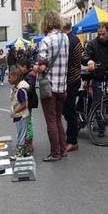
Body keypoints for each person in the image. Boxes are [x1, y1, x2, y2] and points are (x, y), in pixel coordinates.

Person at [35, 11, 69, 162]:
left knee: (51, 121)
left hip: (49, 87)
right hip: (62, 86)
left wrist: (35, 68)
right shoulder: (65, 38)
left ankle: (55, 153)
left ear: (46, 23)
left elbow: (42, 67)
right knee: (58, 119)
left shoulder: (46, 40)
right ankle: (62, 149)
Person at [84, 21, 108, 141]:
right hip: (98, 76)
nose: (100, 36)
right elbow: (85, 55)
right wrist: (88, 61)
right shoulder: (92, 44)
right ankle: (101, 127)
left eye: (103, 34)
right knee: (97, 104)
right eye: (99, 34)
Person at [62, 18, 83, 153]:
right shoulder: (74, 38)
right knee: (68, 109)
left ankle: (72, 141)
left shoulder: (69, 40)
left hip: (71, 80)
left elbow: (67, 62)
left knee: (69, 111)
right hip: (74, 78)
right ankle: (71, 136)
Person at [9, 69, 30, 158]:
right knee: (22, 133)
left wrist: (14, 111)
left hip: (21, 115)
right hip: (20, 115)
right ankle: (24, 151)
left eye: (10, 77)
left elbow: (24, 104)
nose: (8, 79)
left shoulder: (20, 90)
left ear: (16, 77)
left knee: (20, 134)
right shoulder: (18, 88)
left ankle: (20, 153)